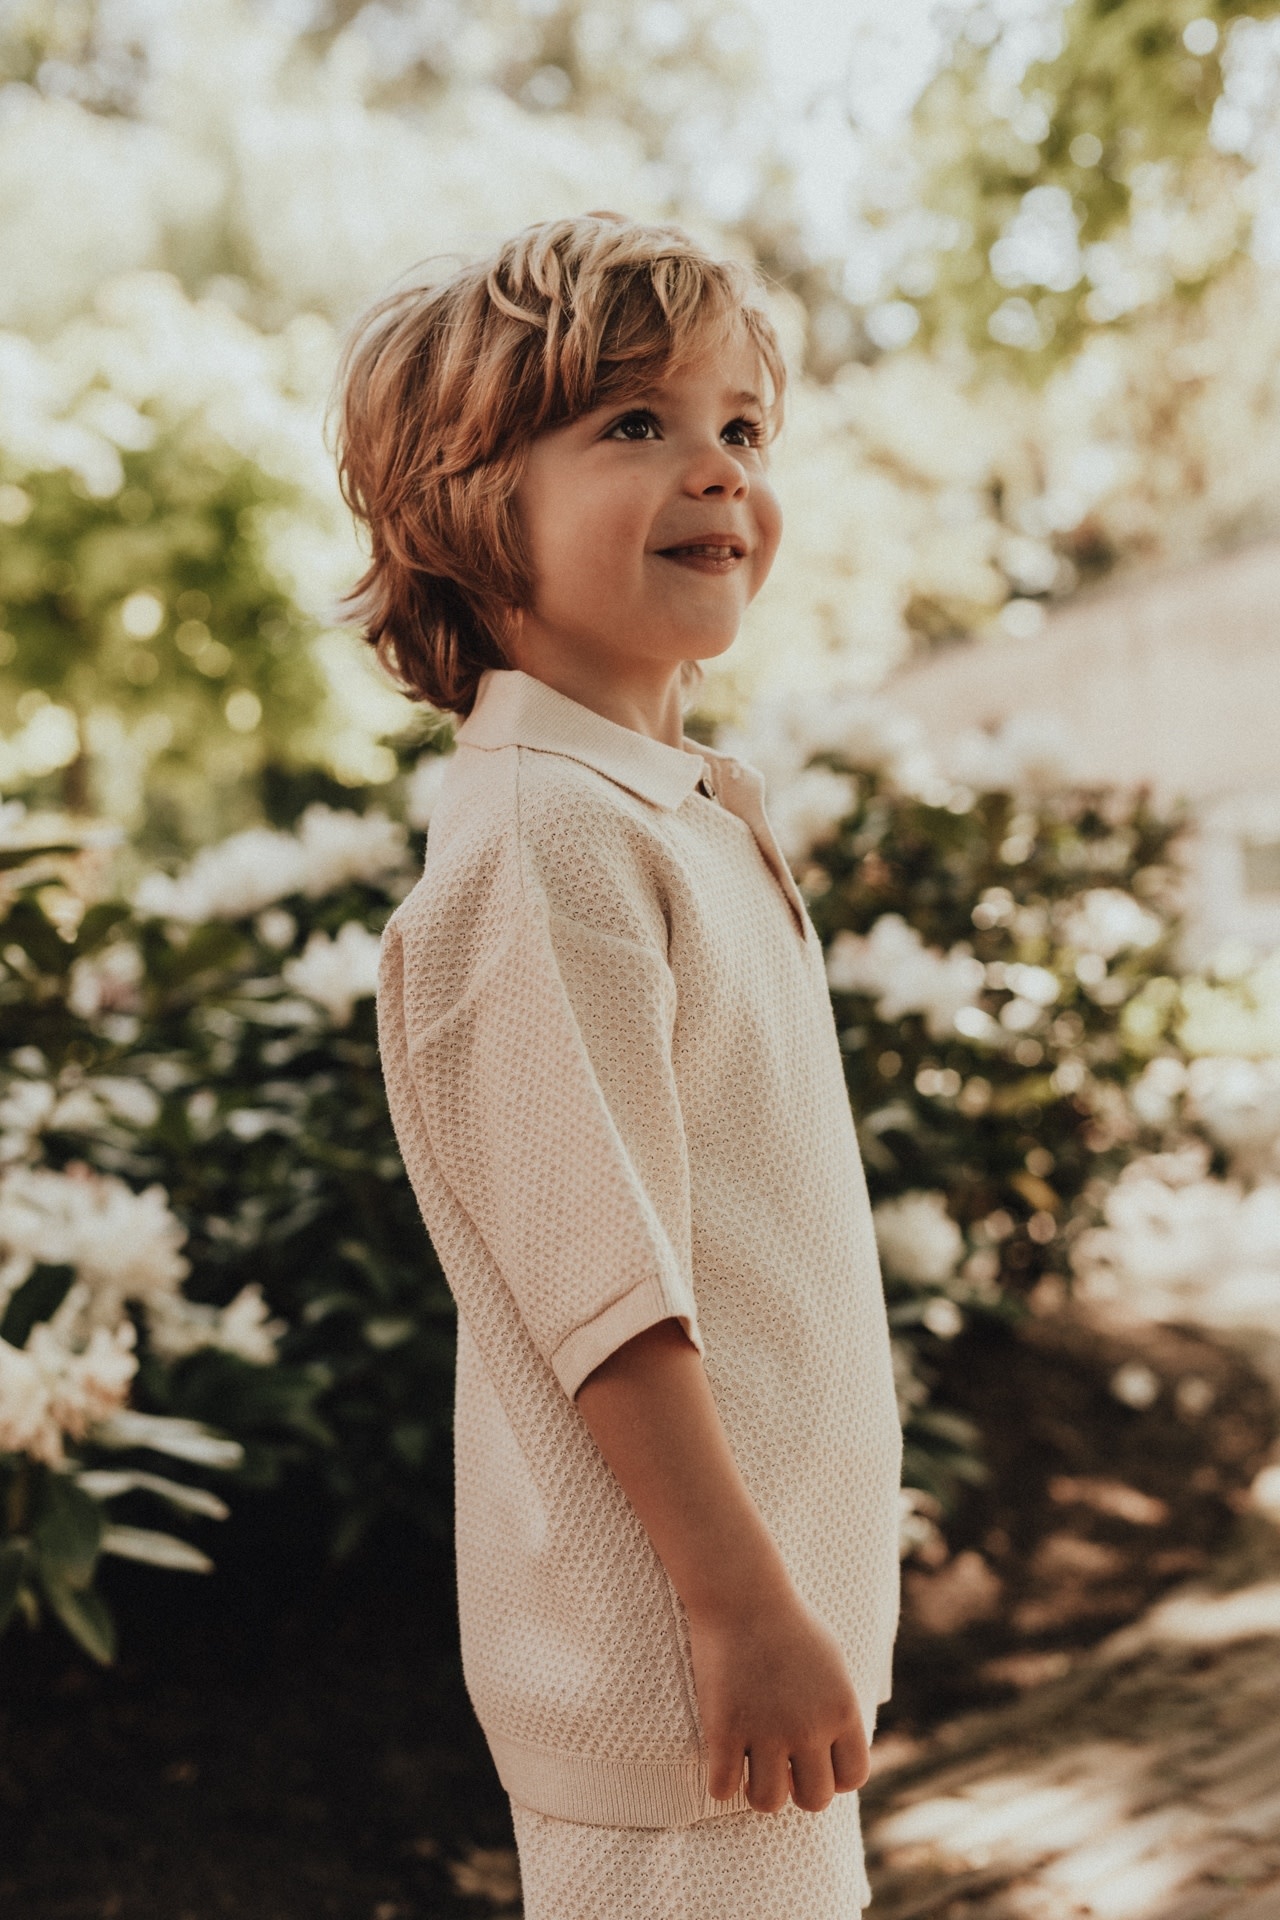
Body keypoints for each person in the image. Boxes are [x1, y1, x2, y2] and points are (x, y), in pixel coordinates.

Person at [334, 211, 903, 1918]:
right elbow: (608, 1290)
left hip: (750, 1650)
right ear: (464, 505)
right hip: (679, 1674)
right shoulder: (545, 846)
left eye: (742, 426)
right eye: (636, 423)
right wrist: (739, 1607)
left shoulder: (672, 812)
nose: (719, 469)